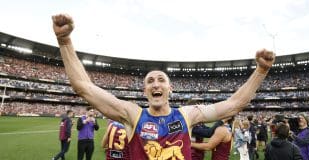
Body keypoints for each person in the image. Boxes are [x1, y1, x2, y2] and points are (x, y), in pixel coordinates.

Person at [52, 13, 275, 159]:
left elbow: (234, 104)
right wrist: (65, 41)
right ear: (144, 91)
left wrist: (261, 71)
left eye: (161, 80)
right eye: (150, 81)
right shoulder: (132, 114)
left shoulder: (187, 115)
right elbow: (83, 87)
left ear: (170, 89)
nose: (155, 84)